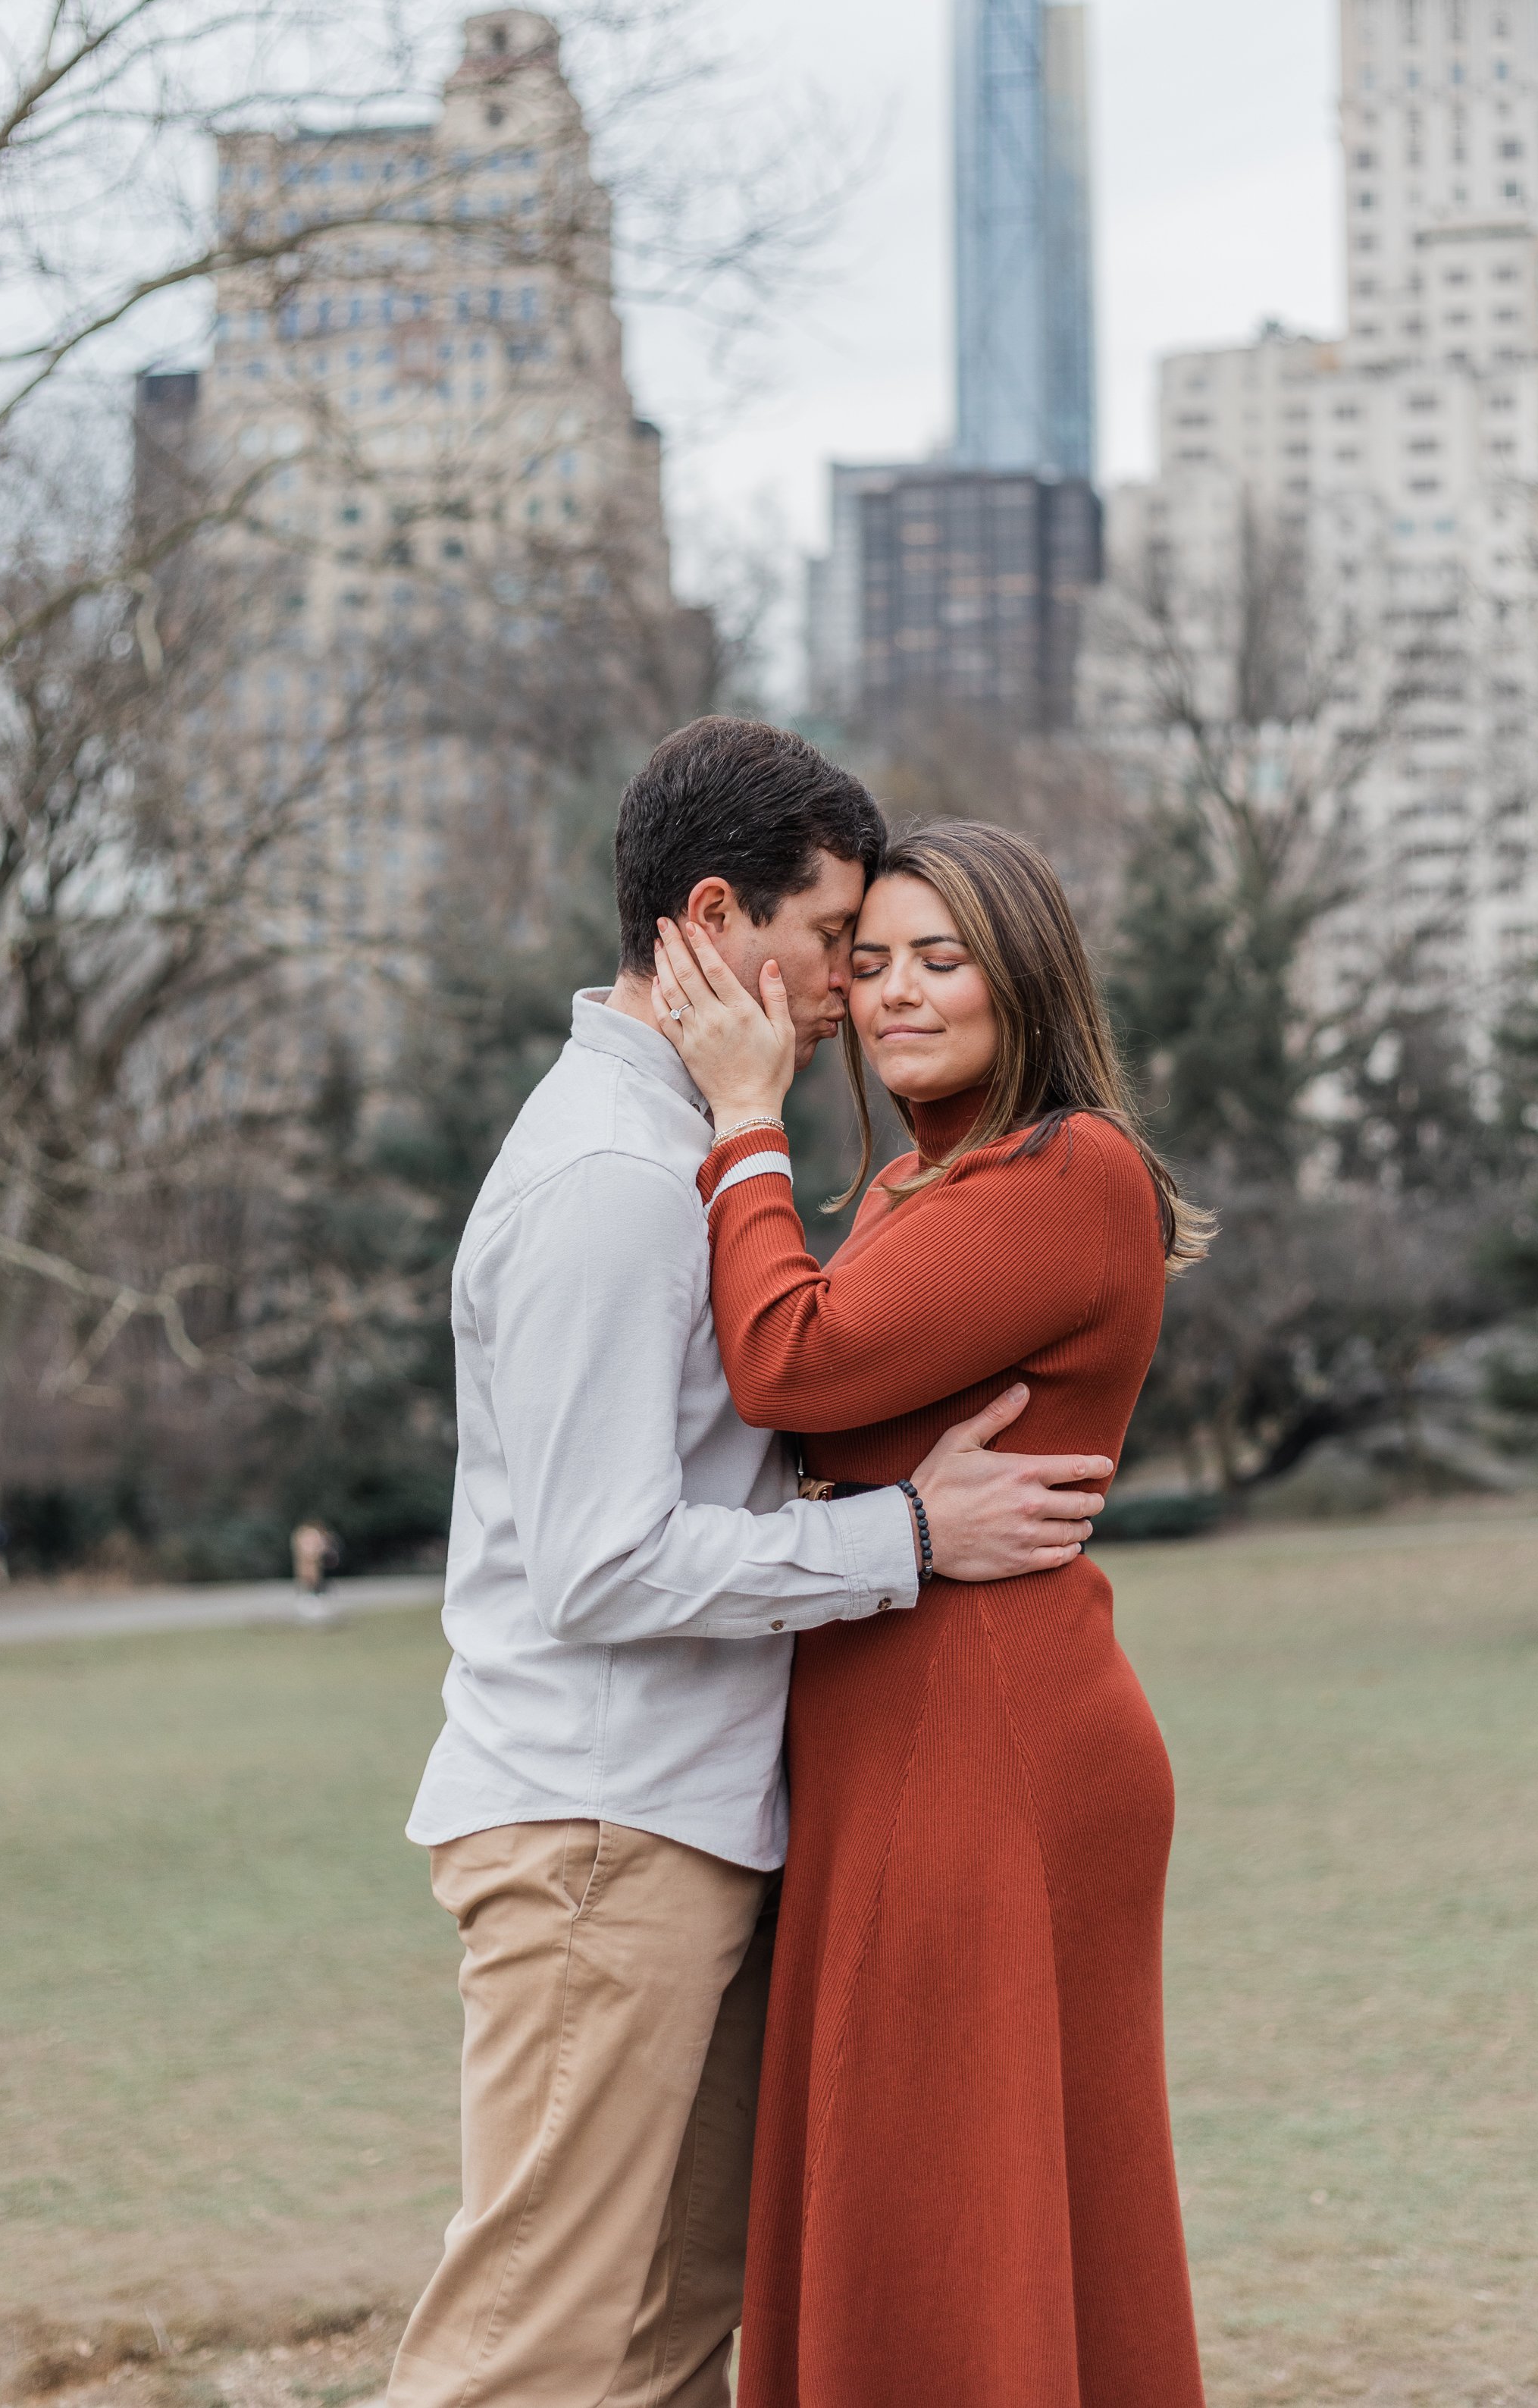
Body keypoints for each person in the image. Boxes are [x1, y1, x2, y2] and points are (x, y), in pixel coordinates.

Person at [387, 724, 1115, 2408]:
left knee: (664, 2336)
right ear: (712, 921)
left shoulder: (696, 1154)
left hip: (694, 1817)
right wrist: (910, 1535)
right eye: (835, 943)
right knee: (527, 2349)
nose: (855, 988)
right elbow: (597, 1563)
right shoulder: (611, 1176)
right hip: (593, 1832)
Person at [650, 814, 1215, 2408]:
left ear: (1022, 976)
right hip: (897, 1733)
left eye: (940, 960)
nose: (894, 993)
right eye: (870, 958)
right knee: (922, 2190)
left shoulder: (1065, 1168)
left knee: (964, 2209)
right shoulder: (916, 1177)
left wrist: (744, 1119)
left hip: (987, 1742)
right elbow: (832, 1409)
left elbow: (793, 1363)